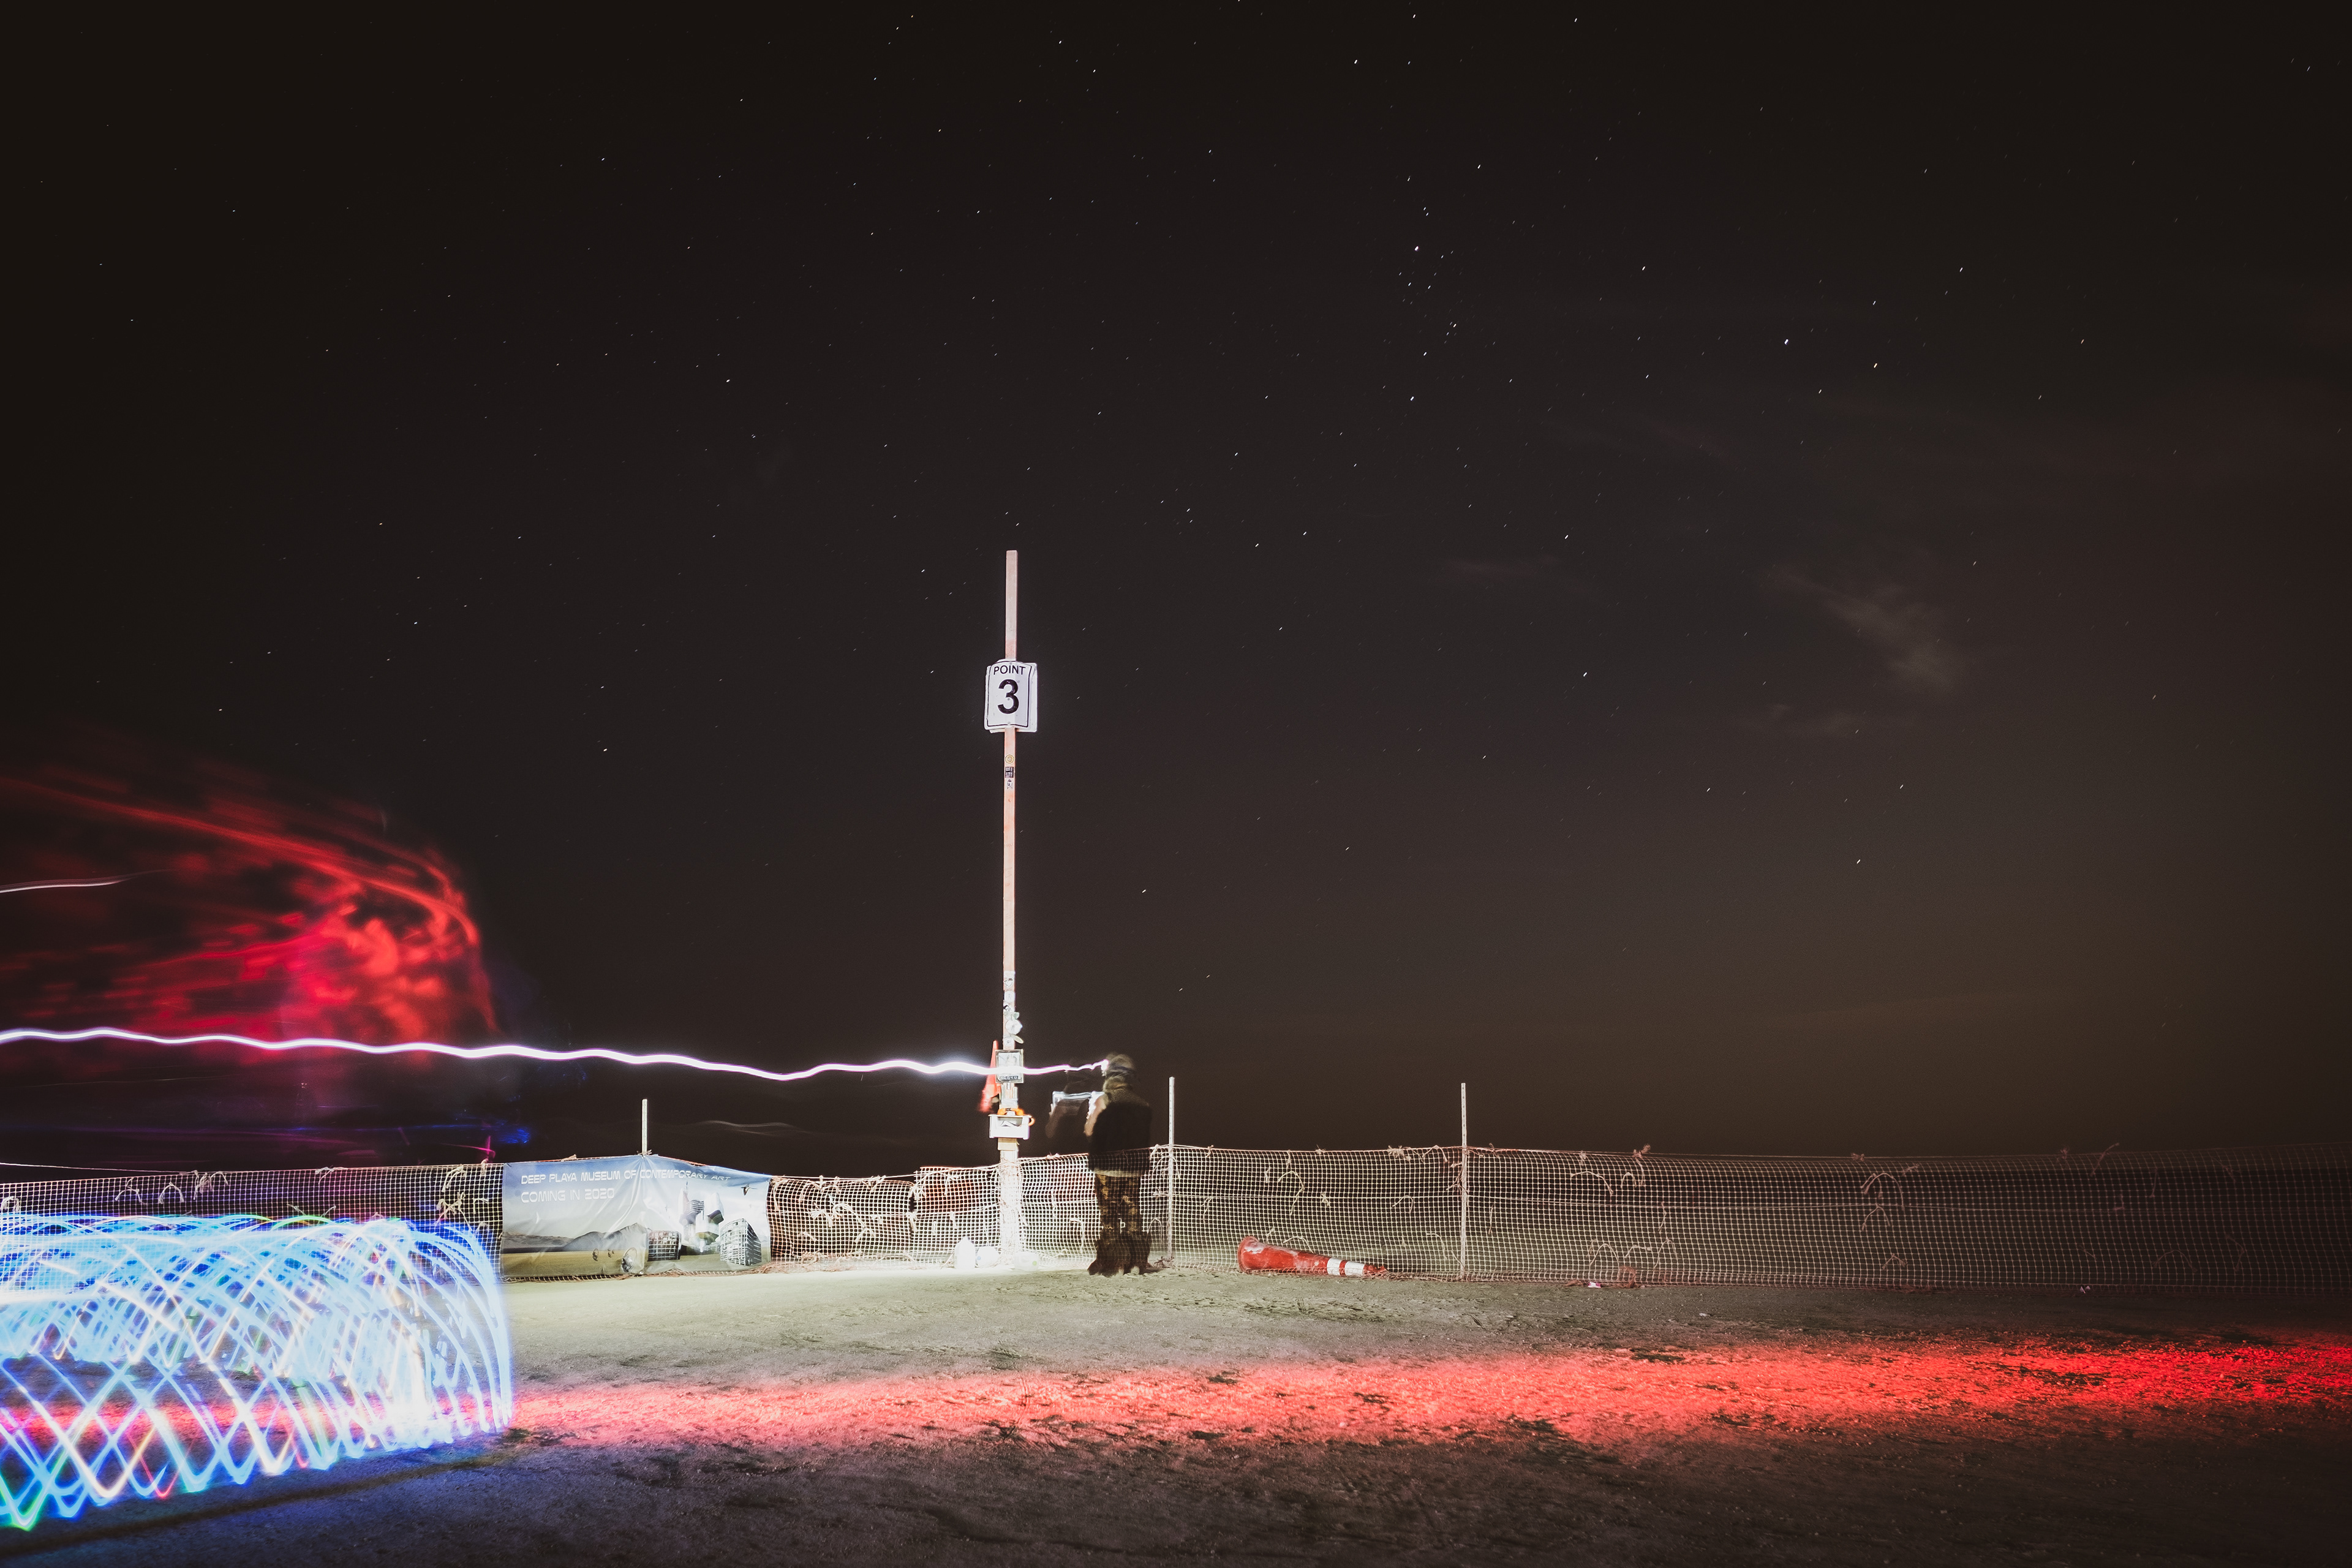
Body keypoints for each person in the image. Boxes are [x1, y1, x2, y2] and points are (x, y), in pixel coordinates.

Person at [1085, 1054, 1159, 1275]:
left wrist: (1091, 1114)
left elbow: (1089, 1130)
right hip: (1134, 1168)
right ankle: (1138, 1261)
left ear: (1110, 1077)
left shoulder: (1105, 1100)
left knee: (1109, 1215)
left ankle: (1110, 1263)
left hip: (1107, 1167)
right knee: (1132, 1213)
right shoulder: (1143, 1104)